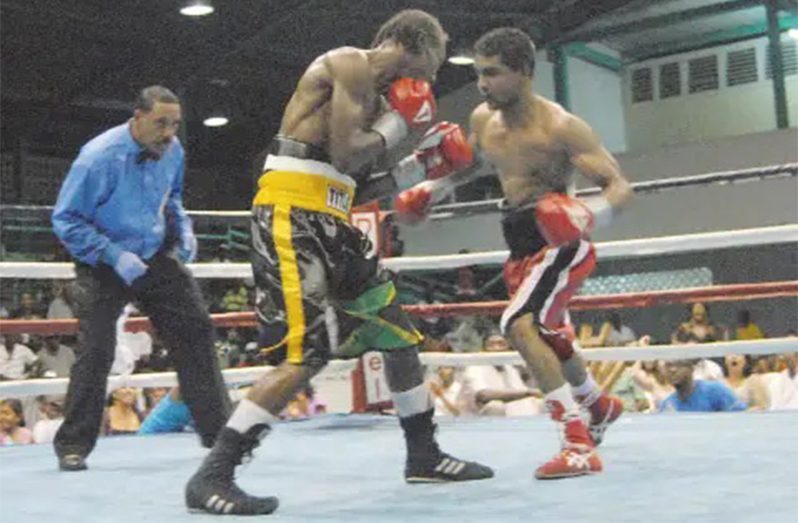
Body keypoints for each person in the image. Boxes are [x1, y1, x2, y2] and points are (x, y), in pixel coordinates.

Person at [185, 10, 492, 516]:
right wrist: (402, 126)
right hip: (290, 215)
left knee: (396, 333)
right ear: (409, 45)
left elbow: (354, 186)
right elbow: (349, 154)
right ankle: (212, 475)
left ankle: (424, 453)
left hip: (331, 220)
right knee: (306, 355)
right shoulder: (349, 64)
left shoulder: (373, 104)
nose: (427, 81)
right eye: (430, 67)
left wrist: (423, 166)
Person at [394, 28, 631, 478]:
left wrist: (588, 216)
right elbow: (476, 165)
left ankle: (578, 444)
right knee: (552, 337)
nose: (482, 84)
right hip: (519, 244)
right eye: (479, 73)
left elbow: (619, 187)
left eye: (493, 73)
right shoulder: (484, 119)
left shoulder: (561, 127)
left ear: (523, 72)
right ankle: (596, 406)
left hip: (562, 243)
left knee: (519, 326)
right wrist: (431, 189)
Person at [50, 85, 231, 472]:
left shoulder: (173, 151)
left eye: (175, 124)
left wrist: (182, 226)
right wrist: (113, 254)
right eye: (160, 123)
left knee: (196, 330)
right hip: (103, 260)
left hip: (153, 254)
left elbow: (174, 197)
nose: (169, 132)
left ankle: (220, 435)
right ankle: (73, 445)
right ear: (137, 118)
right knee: (97, 349)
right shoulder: (98, 158)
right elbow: (65, 219)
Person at [660, 360, 747, 412]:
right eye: (668, 366)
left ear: (691, 368)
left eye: (679, 365)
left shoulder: (716, 391)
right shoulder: (667, 406)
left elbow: (741, 418)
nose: (672, 370)